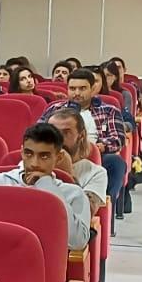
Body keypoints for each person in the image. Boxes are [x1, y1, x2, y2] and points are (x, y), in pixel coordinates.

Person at [0, 124, 92, 248]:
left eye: (44, 156)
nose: (34, 163)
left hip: (46, 258)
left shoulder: (73, 193)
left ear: (59, 157)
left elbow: (77, 242)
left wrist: (47, 184)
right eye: (28, 154)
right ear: (22, 152)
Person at [39, 69, 127, 217]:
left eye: (82, 88)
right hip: (54, 153)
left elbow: (118, 139)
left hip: (96, 154)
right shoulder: (55, 109)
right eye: (72, 88)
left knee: (116, 162)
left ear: (92, 89)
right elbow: (37, 133)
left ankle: (103, 205)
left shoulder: (108, 110)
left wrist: (100, 146)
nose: (77, 93)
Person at [46, 108, 109, 216]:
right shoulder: (32, 164)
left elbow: (86, 213)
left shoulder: (96, 173)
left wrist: (68, 175)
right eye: (52, 132)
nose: (57, 139)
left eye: (66, 133)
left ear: (81, 135)